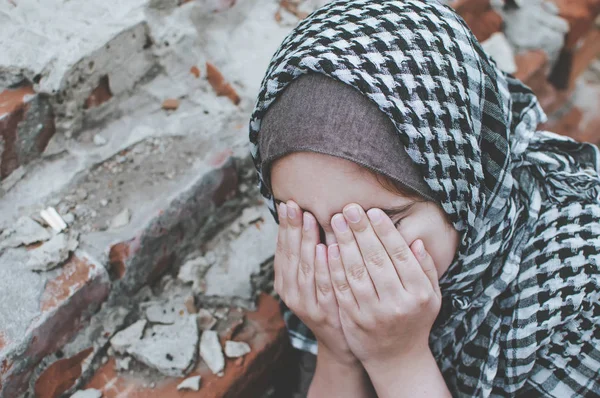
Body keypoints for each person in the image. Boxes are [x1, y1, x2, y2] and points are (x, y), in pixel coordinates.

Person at [248, 1, 600, 397]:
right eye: (306, 223)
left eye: (385, 223)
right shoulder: (313, 270)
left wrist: (398, 361)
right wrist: (338, 354)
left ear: (466, 187)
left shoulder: (578, 292)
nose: (344, 267)